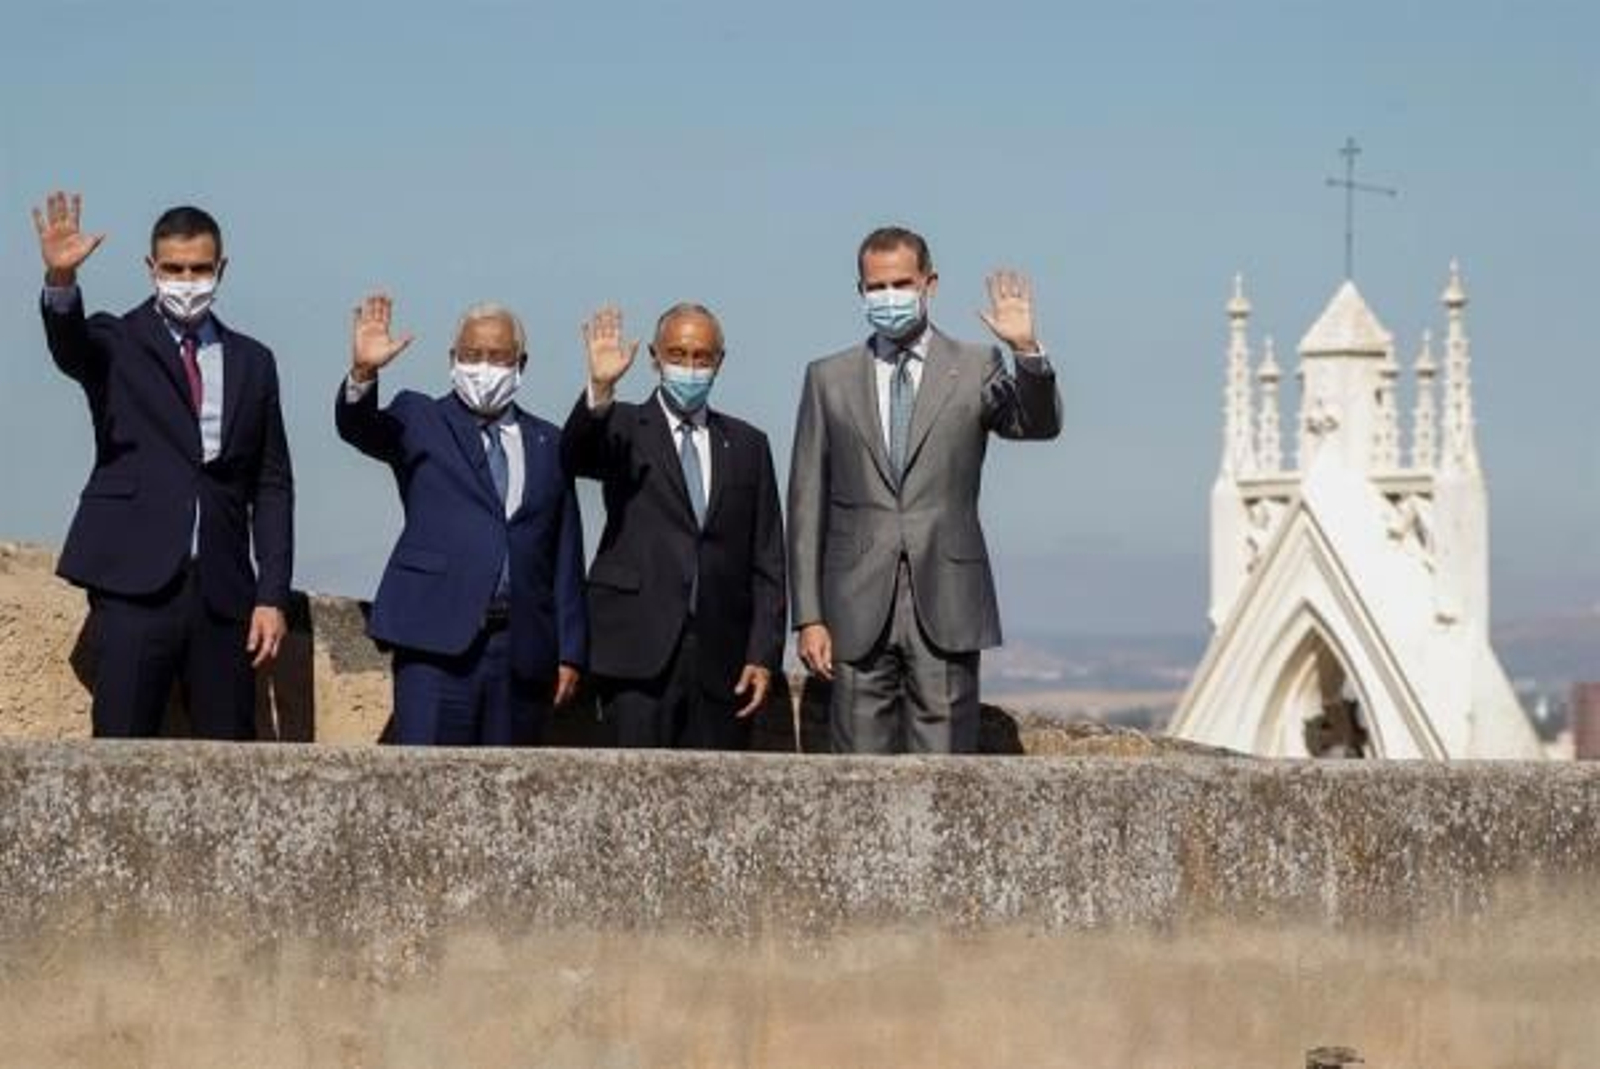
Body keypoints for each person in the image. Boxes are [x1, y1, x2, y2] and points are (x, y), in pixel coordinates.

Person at [788, 225, 1062, 754]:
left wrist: (1025, 350)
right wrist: (809, 615)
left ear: (929, 284)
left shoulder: (976, 366)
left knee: (947, 770)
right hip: (854, 603)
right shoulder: (827, 378)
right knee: (857, 775)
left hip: (947, 597)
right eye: (876, 287)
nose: (888, 296)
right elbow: (806, 500)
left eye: (901, 283)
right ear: (860, 291)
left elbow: (1036, 425)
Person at [33, 191, 294, 740]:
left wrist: (271, 594)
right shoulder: (116, 340)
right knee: (120, 751)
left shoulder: (254, 362)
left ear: (221, 269)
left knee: (229, 759)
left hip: (222, 594)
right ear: (151, 268)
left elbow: (271, 485)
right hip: (133, 586)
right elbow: (69, 347)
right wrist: (60, 280)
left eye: (199, 269)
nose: (186, 280)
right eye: (173, 268)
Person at [336, 294, 585, 745]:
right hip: (435, 643)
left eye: (497, 356)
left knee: (511, 784)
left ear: (521, 363)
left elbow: (564, 550)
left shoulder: (549, 442)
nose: (483, 367)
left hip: (522, 650)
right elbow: (359, 426)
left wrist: (569, 650)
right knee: (426, 779)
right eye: (472, 355)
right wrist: (363, 373)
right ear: (453, 360)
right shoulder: (419, 418)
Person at [561, 303, 785, 749]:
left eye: (702, 357)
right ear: (654, 357)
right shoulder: (623, 425)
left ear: (719, 361)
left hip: (722, 659)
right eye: (678, 354)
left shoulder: (747, 444)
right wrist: (600, 388)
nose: (690, 367)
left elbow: (768, 560)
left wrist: (763, 653)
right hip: (636, 651)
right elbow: (575, 454)